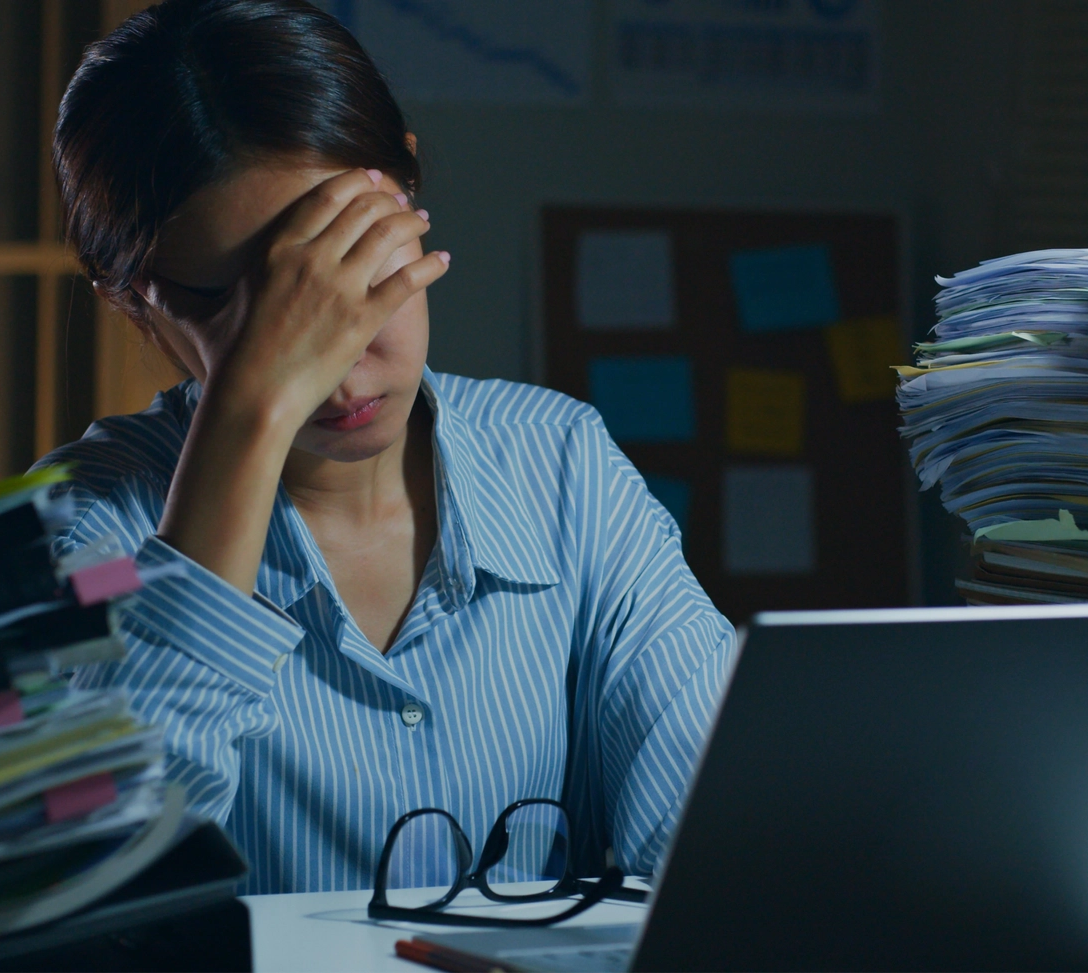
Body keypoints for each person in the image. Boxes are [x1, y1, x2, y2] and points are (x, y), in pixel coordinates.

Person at [39, 0, 734, 895]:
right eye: (240, 313)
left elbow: (712, 836)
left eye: (354, 271)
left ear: (405, 193)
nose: (333, 373)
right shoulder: (80, 531)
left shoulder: (562, 466)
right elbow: (105, 880)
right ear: (136, 301)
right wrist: (250, 410)